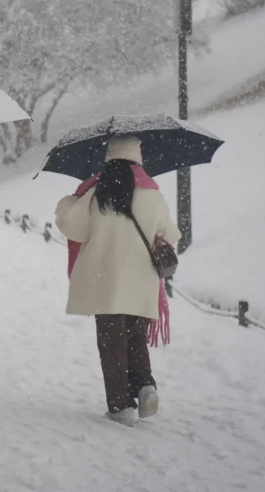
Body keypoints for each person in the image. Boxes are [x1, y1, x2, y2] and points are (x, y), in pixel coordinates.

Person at [55, 136, 181, 426]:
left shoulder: (98, 191)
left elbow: (74, 229)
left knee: (112, 343)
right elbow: (170, 234)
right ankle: (145, 386)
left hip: (106, 278)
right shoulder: (153, 194)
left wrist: (66, 204)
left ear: (110, 158)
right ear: (138, 159)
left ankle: (120, 406)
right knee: (136, 339)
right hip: (142, 280)